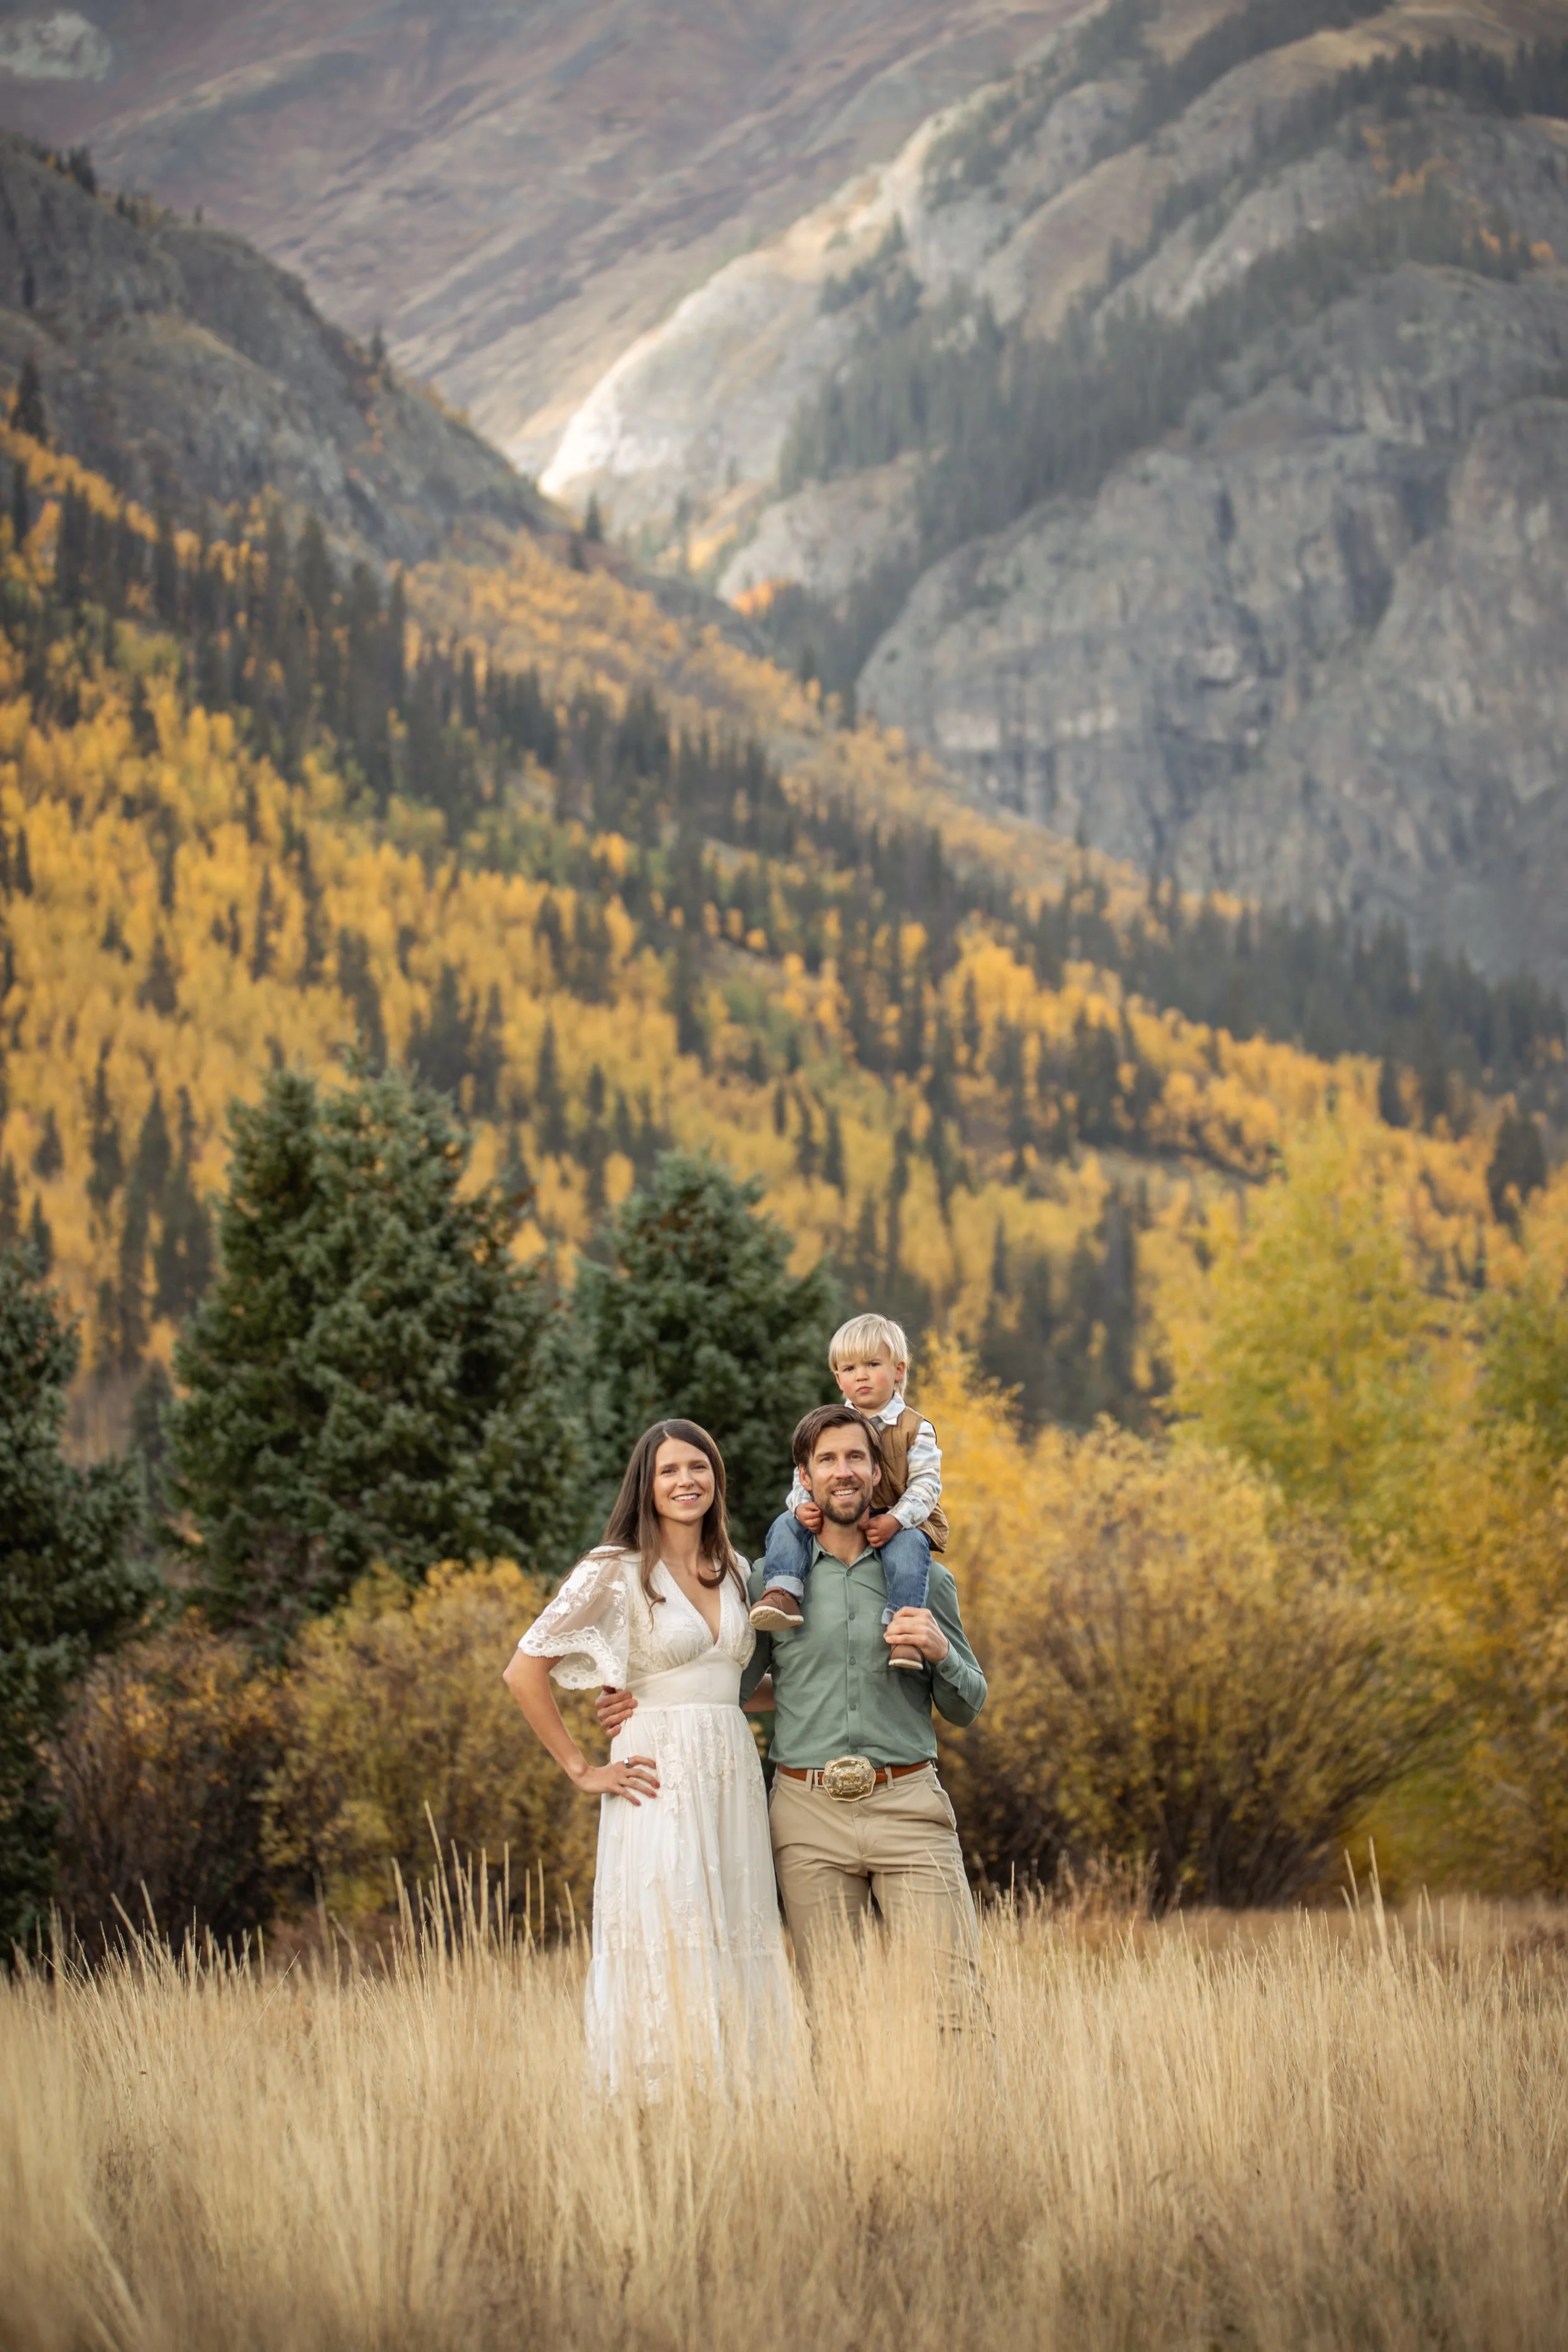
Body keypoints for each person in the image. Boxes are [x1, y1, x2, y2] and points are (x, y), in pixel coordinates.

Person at [599, 1401, 986, 2019]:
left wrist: (940, 1651)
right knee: (836, 2014)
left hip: (910, 1807)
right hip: (806, 1820)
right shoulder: (772, 1590)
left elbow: (966, 1706)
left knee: (953, 2007)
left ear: (876, 1472)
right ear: (804, 1477)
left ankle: (964, 2118)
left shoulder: (925, 1582)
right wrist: (641, 1699)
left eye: (856, 1457)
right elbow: (728, 1684)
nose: (843, 1471)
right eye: (827, 1459)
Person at [503, 1419, 793, 2095]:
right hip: (655, 1773)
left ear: (716, 1479)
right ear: (646, 1484)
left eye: (699, 1467)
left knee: (734, 1928)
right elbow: (523, 1671)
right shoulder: (614, 1569)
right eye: (669, 1471)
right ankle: (660, 2102)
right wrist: (581, 1769)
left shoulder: (739, 1572)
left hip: (730, 1771)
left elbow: (731, 1688)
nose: (686, 1481)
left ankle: (739, 2097)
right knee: (672, 1930)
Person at [751, 1313, 946, 1672]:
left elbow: (927, 1485)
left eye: (873, 1364)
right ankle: (783, 1591)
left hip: (900, 1517)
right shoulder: (831, 1423)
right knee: (785, 1525)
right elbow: (802, 1475)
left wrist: (895, 1519)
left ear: (899, 1370)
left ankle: (905, 1635)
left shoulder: (914, 1429)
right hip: (835, 1510)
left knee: (909, 1552)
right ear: (838, 1378)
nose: (862, 1375)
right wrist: (801, 1506)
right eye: (850, 1368)